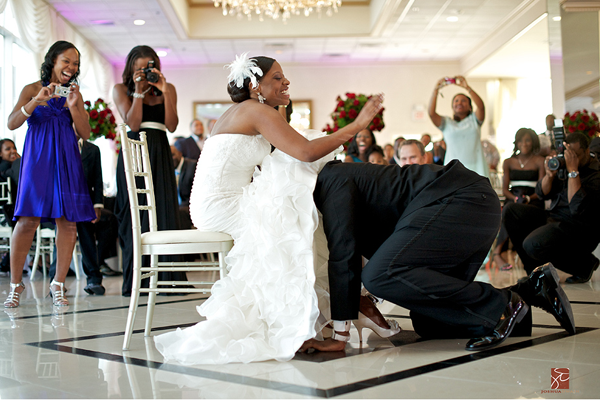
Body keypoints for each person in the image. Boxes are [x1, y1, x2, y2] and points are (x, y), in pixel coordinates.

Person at [153, 53, 384, 364]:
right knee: (291, 219)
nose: (285, 81)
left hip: (214, 200)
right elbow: (304, 150)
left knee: (294, 205)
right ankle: (325, 311)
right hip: (223, 205)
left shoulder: (246, 110)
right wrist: (356, 125)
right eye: (277, 77)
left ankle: (341, 306)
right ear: (253, 85)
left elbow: (285, 149)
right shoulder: (257, 112)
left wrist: (281, 106)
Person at [306, 160, 575, 353]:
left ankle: (501, 304)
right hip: (466, 209)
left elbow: (344, 252)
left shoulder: (331, 180)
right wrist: (366, 299)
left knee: (377, 275)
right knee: (430, 321)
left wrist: (340, 333)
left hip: (462, 201)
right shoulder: (332, 189)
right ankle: (531, 292)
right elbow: (387, 250)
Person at [3, 40, 96, 308]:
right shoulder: (32, 89)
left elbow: (86, 134)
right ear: (53, 61)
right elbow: (12, 122)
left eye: (76, 63)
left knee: (67, 223)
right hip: (37, 162)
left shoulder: (74, 93)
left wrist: (75, 104)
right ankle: (15, 285)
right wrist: (36, 100)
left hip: (67, 161)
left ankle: (58, 284)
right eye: (67, 60)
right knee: (27, 221)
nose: (71, 67)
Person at [113, 45, 185, 297]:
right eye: (140, 68)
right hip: (134, 151)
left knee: (163, 208)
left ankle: (168, 278)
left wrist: (164, 92)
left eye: (149, 67)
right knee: (135, 214)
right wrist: (139, 94)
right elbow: (132, 123)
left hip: (160, 150)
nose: (145, 71)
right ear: (131, 68)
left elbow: (172, 125)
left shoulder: (168, 88)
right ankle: (137, 280)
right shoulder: (121, 89)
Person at [504, 132, 600, 283]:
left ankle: (583, 265)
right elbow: (541, 193)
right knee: (511, 211)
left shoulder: (596, 174)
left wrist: (573, 172)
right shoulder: (564, 166)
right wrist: (549, 175)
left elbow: (577, 207)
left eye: (575, 155)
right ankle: (534, 273)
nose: (570, 159)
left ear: (587, 151)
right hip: (554, 218)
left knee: (532, 244)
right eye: (568, 155)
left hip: (579, 229)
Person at [493, 128, 546, 270]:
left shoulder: (540, 161)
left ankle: (499, 253)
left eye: (527, 140)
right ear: (516, 143)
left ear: (533, 142)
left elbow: (541, 188)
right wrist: (515, 198)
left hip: (533, 199)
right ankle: (498, 253)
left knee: (512, 211)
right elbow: (505, 189)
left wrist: (528, 198)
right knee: (509, 210)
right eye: (521, 140)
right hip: (513, 197)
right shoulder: (508, 162)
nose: (524, 143)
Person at [428, 76, 489, 177]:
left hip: (477, 169)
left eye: (463, 101)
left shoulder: (475, 120)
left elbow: (481, 106)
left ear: (470, 106)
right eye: (456, 101)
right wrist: (436, 90)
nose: (459, 102)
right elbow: (431, 113)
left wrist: (467, 87)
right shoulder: (446, 123)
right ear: (452, 107)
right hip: (453, 170)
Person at [170, 145, 196, 230]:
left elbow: (196, 194)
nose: (171, 158)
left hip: (191, 205)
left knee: (179, 213)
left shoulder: (192, 166)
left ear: (180, 154)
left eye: (173, 155)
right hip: (177, 206)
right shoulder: (168, 170)